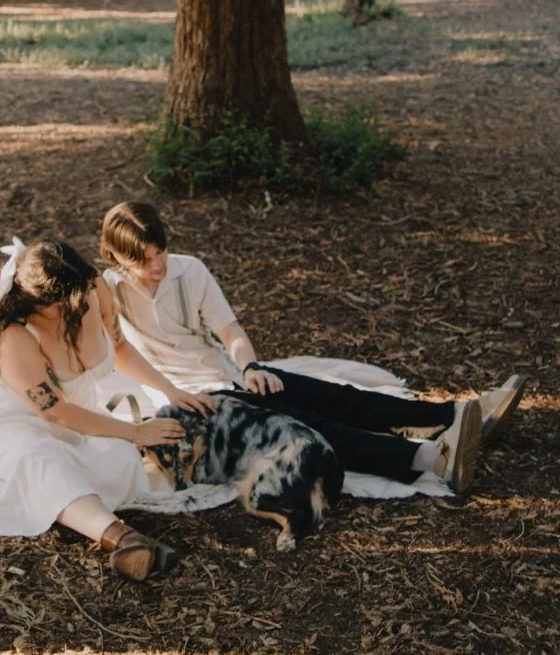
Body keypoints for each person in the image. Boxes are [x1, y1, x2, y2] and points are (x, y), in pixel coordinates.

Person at [98, 200, 528, 496]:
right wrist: (172, 393)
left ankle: (455, 414)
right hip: (192, 398)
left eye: (161, 252)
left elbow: (230, 330)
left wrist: (251, 367)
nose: (157, 265)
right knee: (308, 425)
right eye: (144, 260)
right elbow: (119, 352)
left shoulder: (189, 270)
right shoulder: (110, 291)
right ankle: (430, 459)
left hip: (229, 374)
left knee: (332, 395)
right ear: (116, 257)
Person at [0, 237, 217, 581]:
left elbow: (119, 347)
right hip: (10, 426)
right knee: (40, 459)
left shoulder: (91, 288)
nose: (76, 307)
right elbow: (54, 411)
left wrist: (170, 390)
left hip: (78, 420)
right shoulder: (13, 337)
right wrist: (135, 431)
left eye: (79, 295)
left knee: (119, 459)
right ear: (33, 302)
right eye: (60, 304)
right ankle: (123, 539)